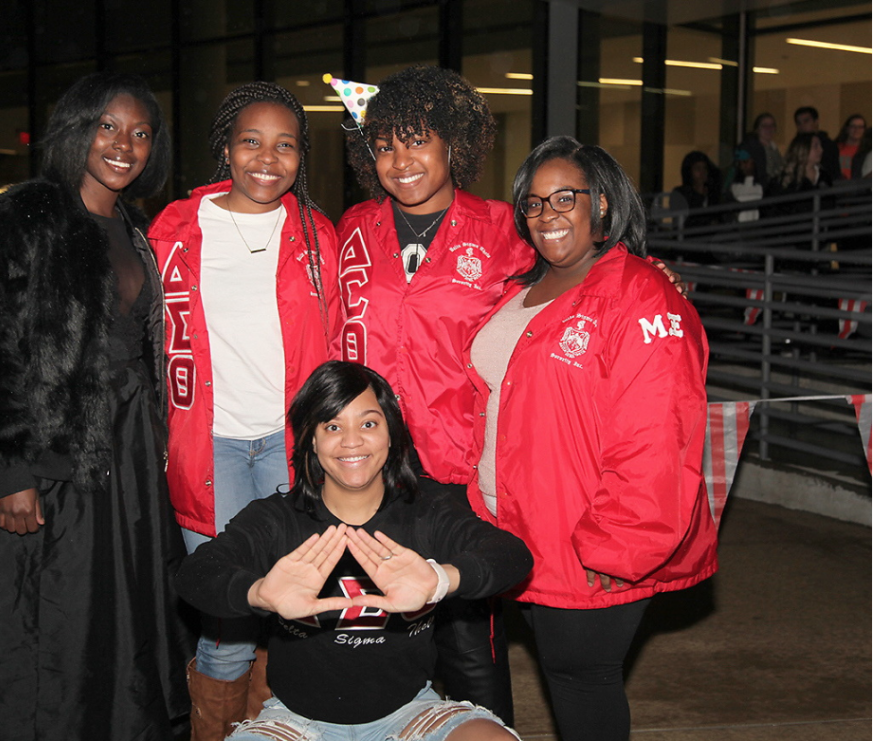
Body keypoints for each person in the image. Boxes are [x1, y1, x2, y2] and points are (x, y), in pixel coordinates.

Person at [0, 73, 192, 741]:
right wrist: (10, 472)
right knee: (44, 623)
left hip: (129, 456)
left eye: (141, 133)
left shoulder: (133, 225)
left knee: (117, 617)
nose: (124, 145)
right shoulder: (27, 214)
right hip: (52, 459)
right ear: (76, 127)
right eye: (108, 126)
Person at [464, 136, 717, 741]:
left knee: (581, 682)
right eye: (533, 202)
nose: (548, 214)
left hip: (589, 541)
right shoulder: (517, 292)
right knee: (561, 676)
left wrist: (618, 542)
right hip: (515, 530)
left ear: (601, 204)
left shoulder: (641, 294)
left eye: (565, 198)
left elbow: (660, 432)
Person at [176, 360, 533, 741]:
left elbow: (512, 555)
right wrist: (257, 592)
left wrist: (441, 579)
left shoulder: (427, 511)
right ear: (311, 439)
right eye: (332, 426)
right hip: (296, 722)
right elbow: (195, 573)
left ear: (391, 433)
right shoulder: (276, 519)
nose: (351, 441)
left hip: (410, 713)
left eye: (368, 423)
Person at [335, 64, 530, 722]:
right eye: (384, 144)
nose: (401, 159)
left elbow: (575, 285)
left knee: (466, 641)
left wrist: (647, 269)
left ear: (453, 143)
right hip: (365, 467)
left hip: (457, 471)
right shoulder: (353, 228)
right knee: (370, 634)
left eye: (416, 139)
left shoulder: (506, 227)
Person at [147, 82, 341, 739]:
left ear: (301, 156)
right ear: (225, 148)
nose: (267, 157)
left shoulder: (318, 234)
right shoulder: (174, 228)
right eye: (251, 141)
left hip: (293, 447)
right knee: (229, 622)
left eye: (285, 144)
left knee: (300, 616)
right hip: (214, 449)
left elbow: (338, 342)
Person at [669, 150, 722, 227]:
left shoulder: (712, 193)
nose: (702, 172)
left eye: (705, 168)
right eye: (697, 168)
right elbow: (687, 220)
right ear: (689, 171)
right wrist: (699, 194)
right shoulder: (680, 193)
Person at [793, 106, 840, 182]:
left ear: (816, 122)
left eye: (806, 121)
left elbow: (833, 172)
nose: (802, 126)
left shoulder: (828, 145)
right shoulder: (795, 145)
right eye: (799, 123)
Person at [737, 113, 783, 188]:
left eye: (772, 125)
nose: (769, 129)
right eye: (764, 126)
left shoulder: (773, 149)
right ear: (757, 129)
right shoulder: (750, 148)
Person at [834, 114, 868, 180]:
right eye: (853, 126)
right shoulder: (835, 148)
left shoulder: (866, 151)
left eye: (860, 127)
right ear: (847, 128)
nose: (856, 130)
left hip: (857, 186)